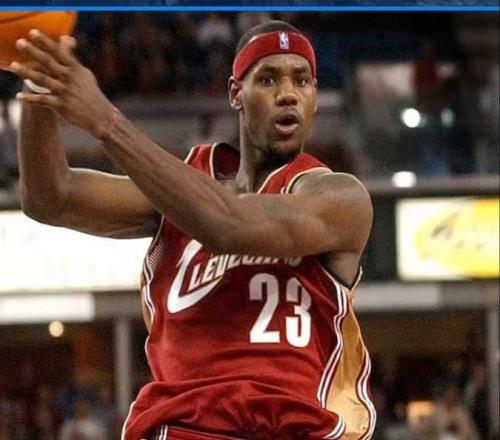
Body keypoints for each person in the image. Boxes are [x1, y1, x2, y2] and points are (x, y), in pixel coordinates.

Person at [12, 20, 375, 440]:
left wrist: (107, 123)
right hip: (182, 427)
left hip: (289, 428)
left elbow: (228, 225)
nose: (288, 93)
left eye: (302, 80)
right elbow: (51, 198)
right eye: (268, 79)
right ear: (235, 93)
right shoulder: (183, 189)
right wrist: (37, 80)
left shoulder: (341, 198)